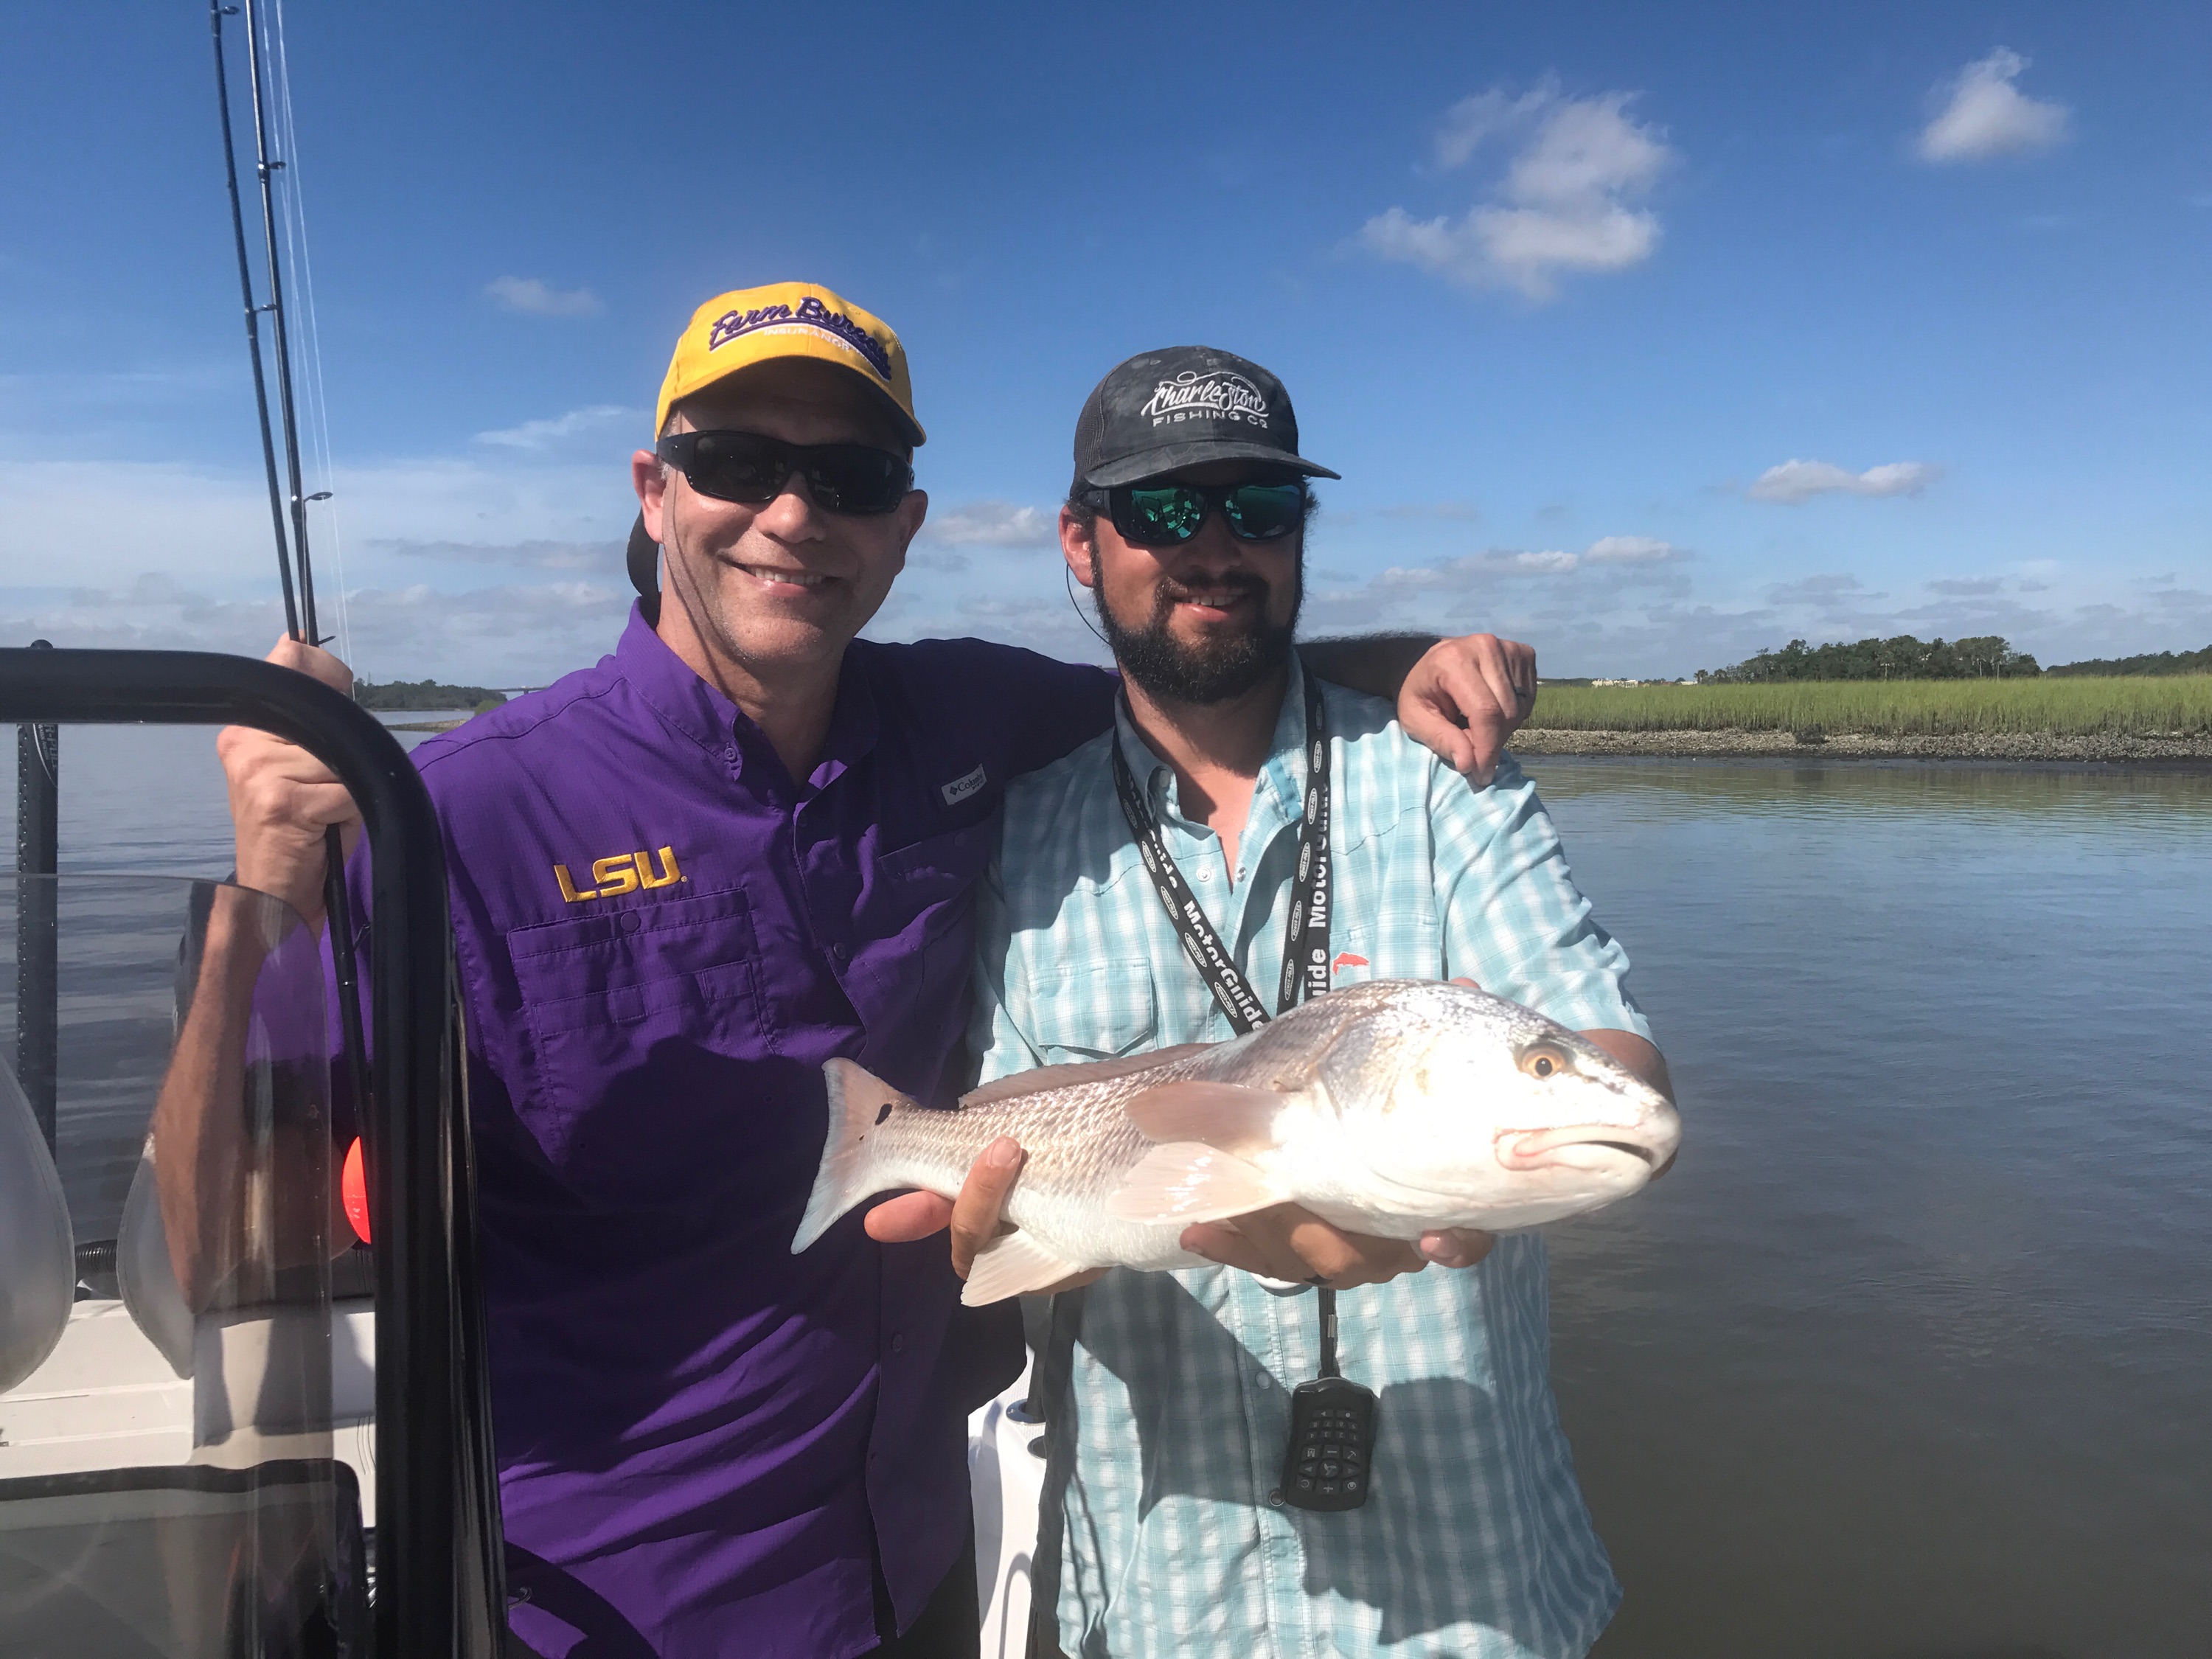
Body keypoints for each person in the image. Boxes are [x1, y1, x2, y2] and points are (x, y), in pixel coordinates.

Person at [198, 285, 1540, 1659]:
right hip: (608, 1601)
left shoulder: (960, 715)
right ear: (657, 493)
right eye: (737, 464)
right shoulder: (459, 817)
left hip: (914, 1563)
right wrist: (264, 890)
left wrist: (1406, 662)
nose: (794, 513)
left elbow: (1198, 670)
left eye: (849, 476)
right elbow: (212, 1252)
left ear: (903, 524)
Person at [897, 346, 1672, 1658]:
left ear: (1301, 536)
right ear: (1082, 544)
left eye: (1258, 509)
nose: (1214, 549)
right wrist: (983, 1222)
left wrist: (1556, 1107)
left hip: (1464, 1593)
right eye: (1160, 510)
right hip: (1155, 1599)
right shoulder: (1024, 837)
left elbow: (1607, 1042)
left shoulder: (1451, 781)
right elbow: (1017, 1177)